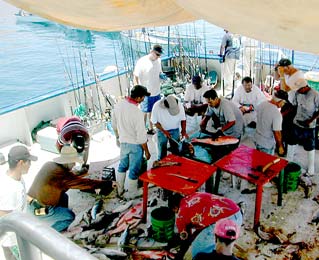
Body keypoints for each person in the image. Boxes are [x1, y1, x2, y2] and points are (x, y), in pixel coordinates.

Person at [27, 145, 116, 232]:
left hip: (30, 202)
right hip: (39, 210)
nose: (74, 164)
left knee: (64, 196)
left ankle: (60, 213)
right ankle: (49, 233)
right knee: (70, 217)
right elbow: (83, 183)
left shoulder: (50, 165)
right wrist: (108, 183)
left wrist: (84, 172)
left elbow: (70, 176)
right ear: (66, 161)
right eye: (73, 162)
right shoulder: (62, 175)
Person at [168, 192, 242, 258]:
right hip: (237, 214)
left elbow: (185, 240)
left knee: (198, 250)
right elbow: (206, 220)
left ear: (175, 208)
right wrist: (193, 236)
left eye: (175, 212)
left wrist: (180, 255)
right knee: (219, 248)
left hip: (223, 221)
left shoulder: (181, 215)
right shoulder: (195, 195)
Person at [112, 85, 151, 199]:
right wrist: (147, 152)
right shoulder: (137, 112)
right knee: (134, 169)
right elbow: (141, 137)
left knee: (122, 166)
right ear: (138, 98)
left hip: (123, 142)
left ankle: (119, 190)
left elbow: (114, 125)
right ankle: (133, 192)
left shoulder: (118, 105)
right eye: (143, 97)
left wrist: (118, 137)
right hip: (135, 145)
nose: (144, 100)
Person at [0, 146, 37, 260]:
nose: (30, 165)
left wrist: (30, 200)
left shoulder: (17, 178)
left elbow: (20, 194)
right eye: (29, 162)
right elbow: (3, 217)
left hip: (20, 233)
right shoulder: (8, 190)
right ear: (21, 163)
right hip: (12, 241)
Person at [287, 78, 319, 175]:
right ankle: (288, 162)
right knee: (291, 142)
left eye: (300, 90)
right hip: (297, 122)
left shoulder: (316, 95)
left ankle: (311, 170)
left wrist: (310, 121)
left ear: (305, 87)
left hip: (309, 126)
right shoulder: (298, 93)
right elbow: (294, 105)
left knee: (310, 147)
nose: (298, 91)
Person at [134, 44, 164, 135]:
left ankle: (151, 128)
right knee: (144, 112)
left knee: (153, 111)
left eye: (160, 55)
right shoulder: (142, 62)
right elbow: (135, 75)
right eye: (157, 54)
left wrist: (162, 76)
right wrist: (137, 90)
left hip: (157, 91)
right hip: (146, 93)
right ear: (152, 52)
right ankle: (142, 130)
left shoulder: (158, 61)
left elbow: (160, 72)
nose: (158, 57)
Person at [151, 95, 188, 160]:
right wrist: (164, 131)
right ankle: (161, 163)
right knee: (162, 150)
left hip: (175, 129)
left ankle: (176, 161)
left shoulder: (179, 105)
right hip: (162, 130)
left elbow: (183, 119)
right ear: (165, 106)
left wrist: (183, 131)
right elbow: (154, 122)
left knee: (176, 149)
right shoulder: (156, 107)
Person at [220, 30, 241, 95]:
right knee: (233, 71)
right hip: (237, 56)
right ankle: (236, 84)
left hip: (229, 56)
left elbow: (222, 46)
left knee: (228, 72)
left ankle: (229, 87)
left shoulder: (226, 36)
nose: (223, 30)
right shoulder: (238, 35)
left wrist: (221, 55)